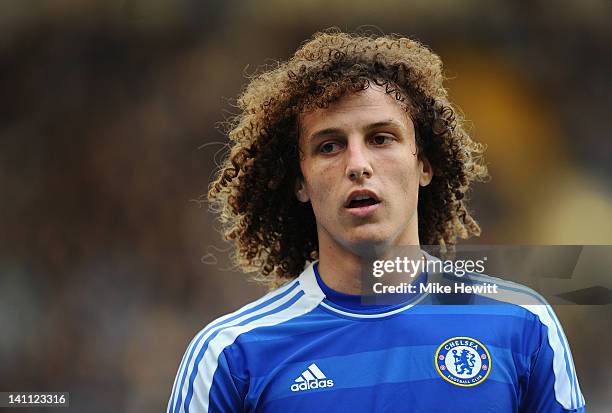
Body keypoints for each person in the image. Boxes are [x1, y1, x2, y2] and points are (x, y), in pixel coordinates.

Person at [166, 30, 585, 413]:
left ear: (424, 164)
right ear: (300, 182)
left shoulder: (523, 323)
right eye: (329, 146)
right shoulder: (232, 355)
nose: (358, 164)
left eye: (381, 138)